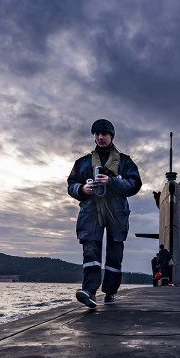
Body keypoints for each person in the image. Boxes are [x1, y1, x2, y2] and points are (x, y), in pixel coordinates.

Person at [67, 119, 142, 308]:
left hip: (116, 211)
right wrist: (83, 189)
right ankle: (89, 291)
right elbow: (71, 184)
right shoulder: (83, 162)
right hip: (91, 211)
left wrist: (112, 182)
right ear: (94, 136)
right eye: (97, 134)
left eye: (104, 134)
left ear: (111, 136)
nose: (100, 137)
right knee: (90, 249)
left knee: (115, 252)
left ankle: (110, 292)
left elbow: (135, 184)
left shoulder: (125, 162)